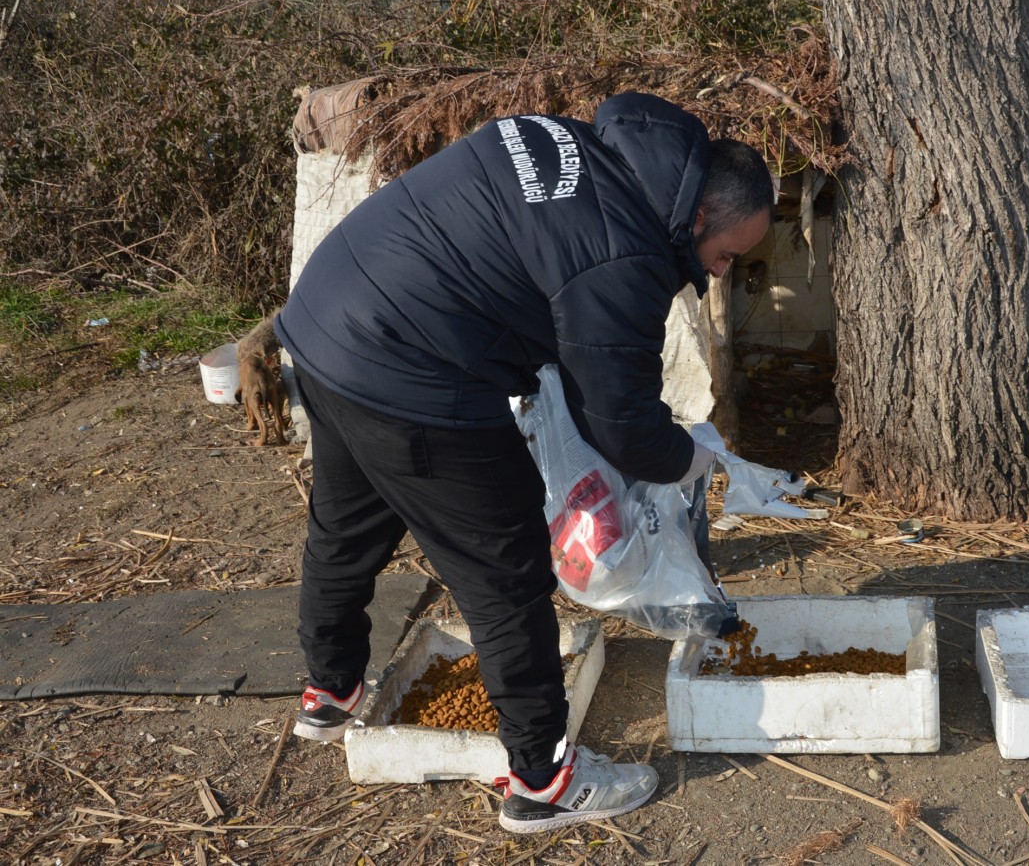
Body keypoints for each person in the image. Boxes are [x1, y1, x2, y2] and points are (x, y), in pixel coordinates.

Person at [264, 91, 774, 834]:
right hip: (416, 369)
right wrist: (689, 461)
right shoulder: (625, 249)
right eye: (725, 255)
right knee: (504, 574)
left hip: (325, 322)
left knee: (345, 528)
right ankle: (543, 778)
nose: (721, 275)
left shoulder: (578, 145)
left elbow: (572, 341)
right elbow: (622, 425)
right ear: (696, 216)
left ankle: (330, 690)